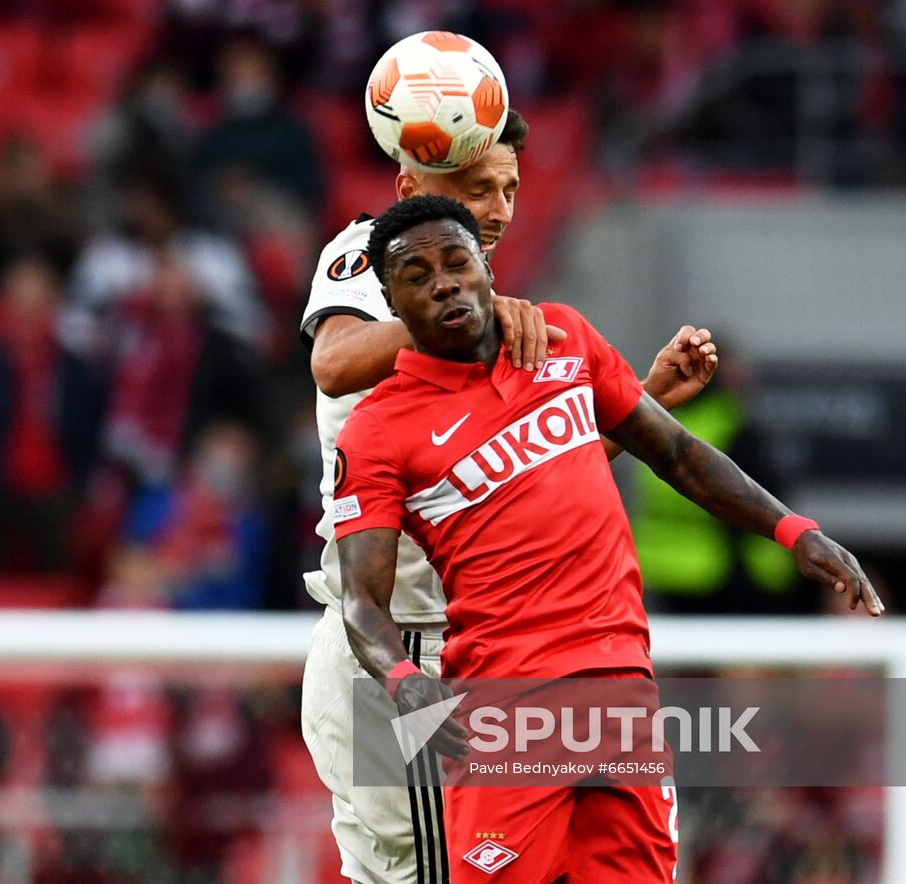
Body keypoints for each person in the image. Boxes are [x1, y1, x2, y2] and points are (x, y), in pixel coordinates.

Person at [334, 195, 882, 883]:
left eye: (456, 260)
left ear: (484, 268)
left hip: (623, 692)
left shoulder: (563, 339)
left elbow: (679, 453)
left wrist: (793, 529)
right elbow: (361, 600)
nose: (443, 282)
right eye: (416, 275)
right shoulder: (379, 430)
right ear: (391, 300)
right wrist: (405, 682)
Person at [299, 109, 721, 884]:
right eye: (474, 186)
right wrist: (472, 301)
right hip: (411, 647)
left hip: (467, 658)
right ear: (413, 184)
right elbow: (332, 362)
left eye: (509, 188)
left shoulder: (492, 332)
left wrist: (643, 398)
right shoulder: (368, 254)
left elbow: (509, 492)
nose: (495, 207)